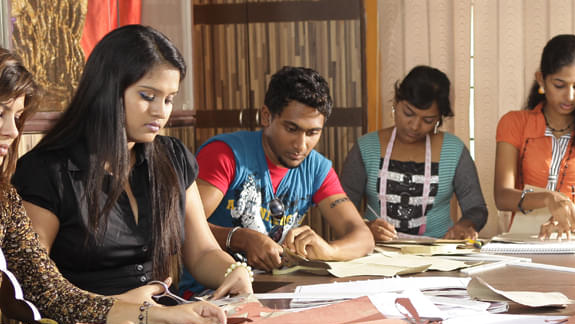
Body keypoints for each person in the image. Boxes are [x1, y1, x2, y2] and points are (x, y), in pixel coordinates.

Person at [0, 48, 224, 324]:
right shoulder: (43, 170)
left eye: (17, 117)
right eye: (1, 114)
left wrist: (156, 314)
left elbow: (51, 291)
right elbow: (24, 304)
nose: (11, 131)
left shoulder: (4, 197)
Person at [12, 25, 253, 302]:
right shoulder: (46, 170)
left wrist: (233, 270)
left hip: (166, 323)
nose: (160, 112)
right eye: (147, 96)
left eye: (169, 99)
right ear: (108, 91)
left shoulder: (172, 156)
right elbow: (32, 286)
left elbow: (202, 253)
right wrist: (117, 306)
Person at [193, 66, 374, 276]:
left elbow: (363, 237)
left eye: (313, 133)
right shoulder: (225, 155)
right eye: (291, 129)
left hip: (278, 290)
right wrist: (238, 237)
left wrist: (330, 250)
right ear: (266, 116)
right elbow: (182, 228)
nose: (301, 145)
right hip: (212, 292)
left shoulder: (317, 168)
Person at [494, 34, 575, 239]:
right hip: (522, 239)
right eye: (559, 85)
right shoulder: (514, 123)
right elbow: (502, 196)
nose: (570, 96)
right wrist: (549, 199)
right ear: (541, 80)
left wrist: (567, 211)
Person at [341, 65, 487, 241]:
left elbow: (476, 208)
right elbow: (341, 208)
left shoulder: (453, 150)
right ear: (396, 102)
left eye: (428, 120)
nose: (415, 126)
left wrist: (465, 226)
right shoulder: (366, 147)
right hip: (377, 251)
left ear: (439, 118)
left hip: (437, 252)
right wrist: (365, 228)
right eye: (408, 113)